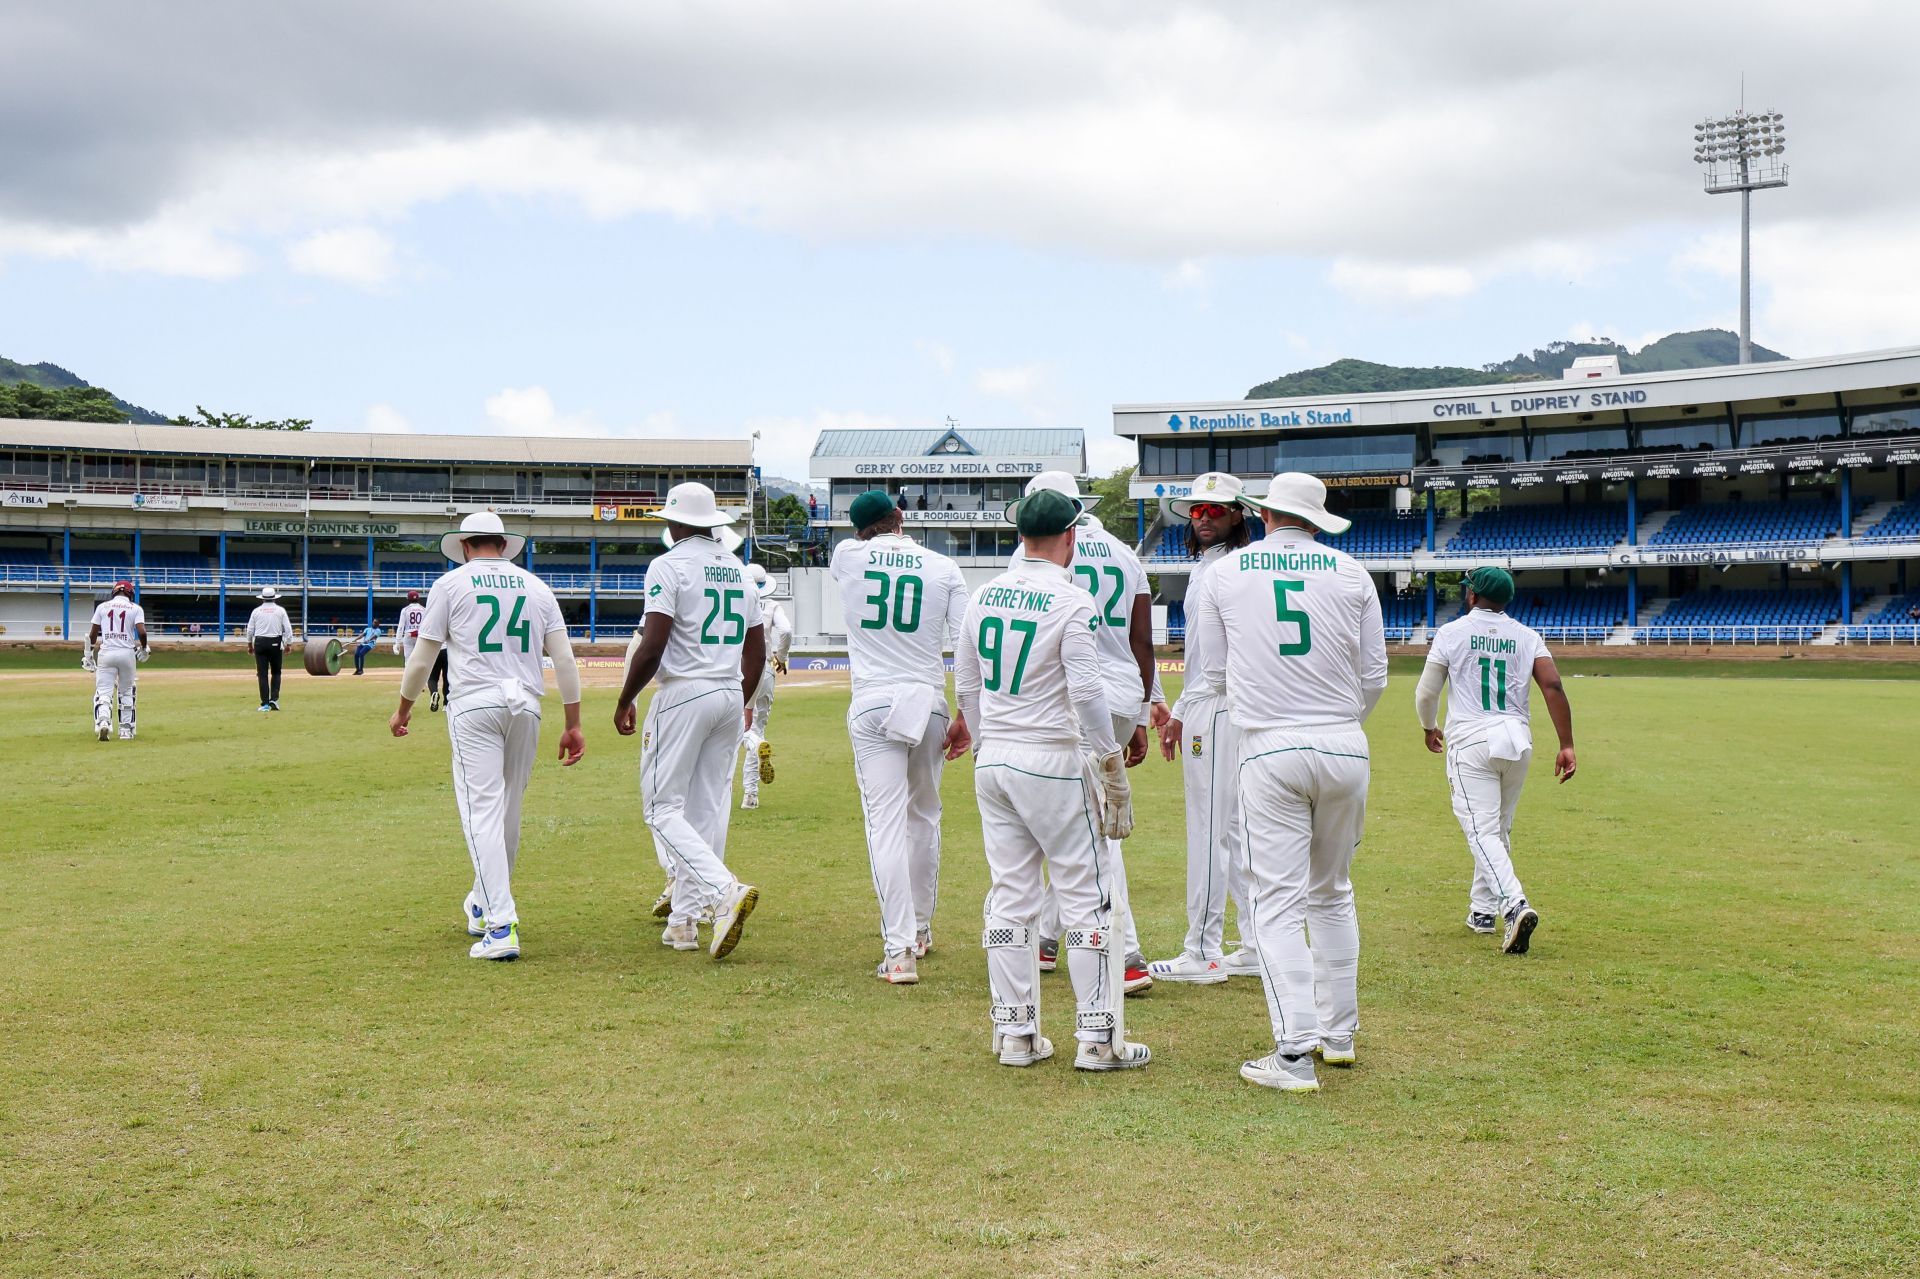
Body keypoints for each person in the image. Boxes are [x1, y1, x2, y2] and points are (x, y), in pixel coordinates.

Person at [1188, 472, 1387, 1092]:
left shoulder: (1224, 574)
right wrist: (1337, 721)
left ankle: (1294, 1054)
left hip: (1269, 745)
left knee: (1276, 902)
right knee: (1332, 891)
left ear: (1267, 516)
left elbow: (1215, 672)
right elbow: (1374, 675)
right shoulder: (1353, 573)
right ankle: (1339, 1035)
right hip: (1344, 741)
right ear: (1315, 519)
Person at [955, 488, 1145, 1071]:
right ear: (1070, 538)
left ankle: (1016, 1034)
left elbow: (965, 684)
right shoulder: (1071, 600)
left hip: (997, 761)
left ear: (1020, 538)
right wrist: (1110, 763)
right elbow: (1087, 693)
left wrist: (989, 740)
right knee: (1087, 896)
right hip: (1052, 758)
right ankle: (1098, 1039)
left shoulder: (984, 594)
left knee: (1010, 895)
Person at [388, 511, 585, 961]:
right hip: (527, 706)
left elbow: (422, 658)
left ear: (464, 547)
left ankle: (500, 925)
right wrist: (573, 723)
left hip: (475, 703)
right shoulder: (536, 587)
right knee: (507, 814)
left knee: (482, 813)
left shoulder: (451, 585)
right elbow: (566, 660)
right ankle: (482, 904)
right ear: (503, 545)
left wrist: (404, 708)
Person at [1006, 471, 1157, 995]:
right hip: (1120, 691)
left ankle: (1127, 951)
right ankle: (1049, 938)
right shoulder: (1124, 552)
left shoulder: (1027, 557)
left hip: (1069, 699)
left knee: (1091, 830)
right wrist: (1142, 712)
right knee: (1071, 821)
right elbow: (1143, 642)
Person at [615, 482, 765, 960]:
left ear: (676, 523)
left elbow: (653, 642)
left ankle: (724, 890)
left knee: (661, 809)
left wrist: (626, 698)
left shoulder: (669, 564)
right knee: (704, 809)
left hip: (684, 692)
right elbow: (756, 650)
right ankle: (683, 922)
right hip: (727, 689)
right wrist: (736, 695)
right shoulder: (740, 571)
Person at [830, 490, 970, 984]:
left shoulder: (847, 555)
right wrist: (966, 714)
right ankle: (923, 929)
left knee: (884, 825)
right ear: (901, 518)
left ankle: (899, 951)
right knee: (924, 818)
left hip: (873, 699)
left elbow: (861, 564)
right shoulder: (943, 566)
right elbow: (966, 645)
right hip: (927, 699)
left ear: (859, 529)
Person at [1415, 565, 1576, 955]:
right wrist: (1567, 743)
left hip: (1472, 739)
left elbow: (1426, 691)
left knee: (1482, 831)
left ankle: (1514, 904)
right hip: (1516, 739)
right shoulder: (1526, 635)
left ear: (1472, 596)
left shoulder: (1452, 633)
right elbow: (1552, 685)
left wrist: (1428, 725)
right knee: (1498, 829)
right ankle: (1482, 911)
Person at [1152, 471, 1258, 985]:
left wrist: (1179, 712)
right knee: (1233, 830)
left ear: (1238, 513)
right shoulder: (1220, 566)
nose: (1204, 518)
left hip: (1216, 707)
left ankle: (1203, 952)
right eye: (1196, 511)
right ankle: (1256, 943)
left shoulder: (1224, 570)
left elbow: (1211, 668)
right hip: (1225, 705)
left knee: (1211, 830)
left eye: (1215, 510)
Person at [739, 562, 793, 811]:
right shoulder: (771, 606)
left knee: (734, 728)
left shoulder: (736, 602)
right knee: (757, 726)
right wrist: (780, 657)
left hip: (736, 667)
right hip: (765, 669)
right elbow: (786, 629)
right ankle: (750, 795)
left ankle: (752, 744)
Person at [84, 580, 148, 740]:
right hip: (127, 653)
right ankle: (126, 731)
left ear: (114, 592)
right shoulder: (136, 608)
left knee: (104, 691)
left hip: (106, 653)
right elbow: (142, 632)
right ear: (130, 593)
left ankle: (103, 722)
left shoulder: (102, 607)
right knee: (127, 691)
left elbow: (92, 634)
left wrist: (88, 654)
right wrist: (144, 648)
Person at [245, 586, 294, 711]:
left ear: (262, 599)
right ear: (274, 598)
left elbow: (250, 630)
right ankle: (274, 699)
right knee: (276, 672)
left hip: (260, 642)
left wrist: (250, 645)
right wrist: (289, 644)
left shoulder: (256, 611)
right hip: (275, 642)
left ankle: (265, 703)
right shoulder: (280, 610)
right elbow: (288, 629)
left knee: (262, 674)